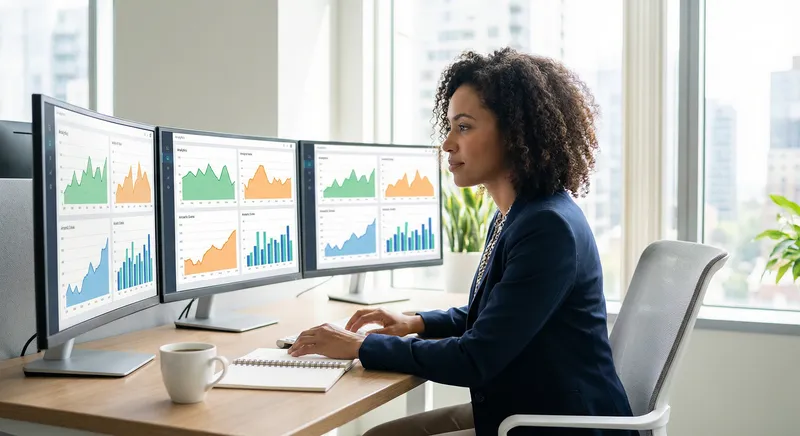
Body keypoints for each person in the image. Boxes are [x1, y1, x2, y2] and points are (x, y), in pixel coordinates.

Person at [287, 47, 634, 436]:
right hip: (521, 411)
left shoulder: (548, 229)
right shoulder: (516, 213)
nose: (448, 143)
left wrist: (358, 346)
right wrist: (415, 322)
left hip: (558, 425)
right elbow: (492, 317)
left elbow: (477, 357)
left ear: (517, 132)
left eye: (464, 127)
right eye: (449, 127)